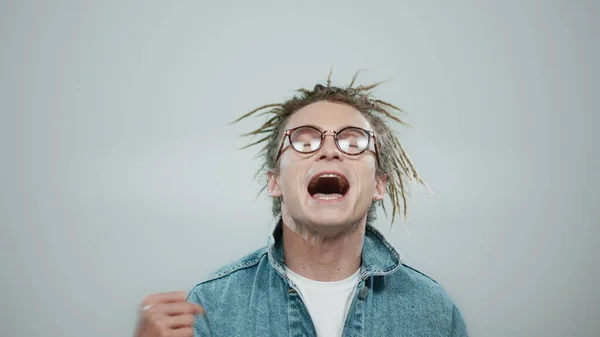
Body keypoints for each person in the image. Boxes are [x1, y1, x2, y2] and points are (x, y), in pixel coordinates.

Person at [133, 72, 469, 337]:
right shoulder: (209, 308)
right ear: (275, 182)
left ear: (379, 184)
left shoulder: (434, 311)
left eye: (353, 141)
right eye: (304, 140)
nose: (329, 150)